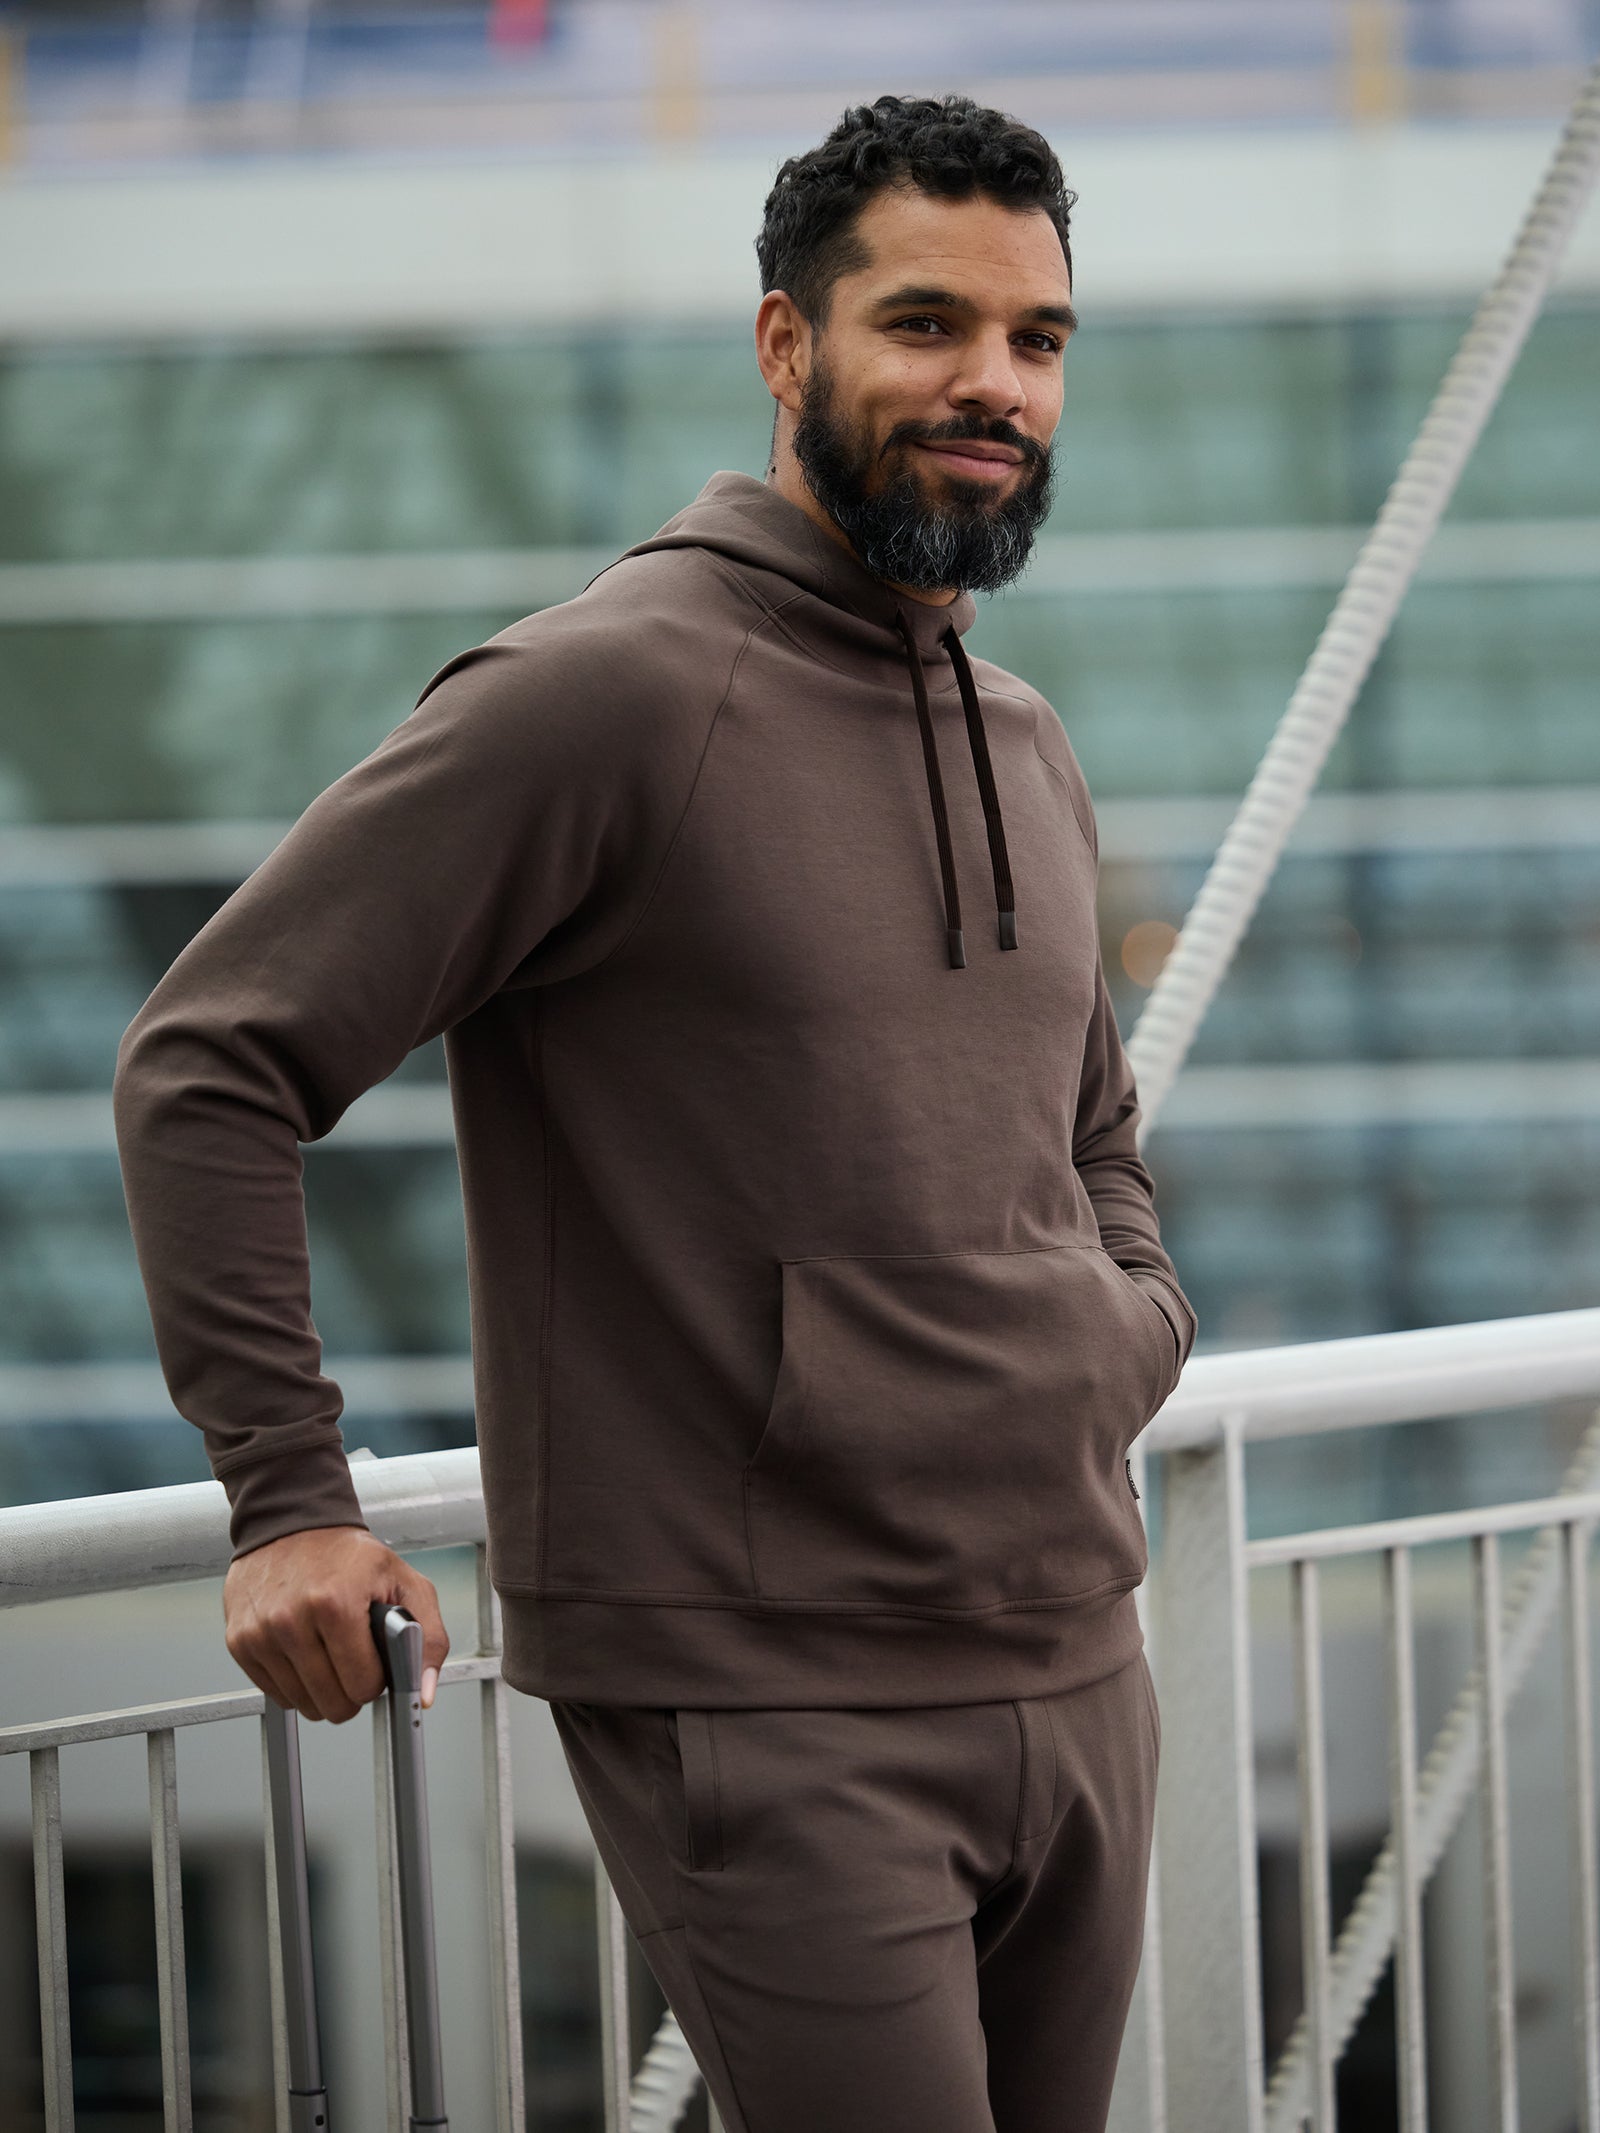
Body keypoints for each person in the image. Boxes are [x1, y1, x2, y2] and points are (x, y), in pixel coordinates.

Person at [114, 92, 1195, 2133]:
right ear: (786, 346)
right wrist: (290, 1493)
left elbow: (1090, 1134)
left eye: (1034, 340)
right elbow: (212, 1057)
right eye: (924, 323)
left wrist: (1119, 1330)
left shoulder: (1026, 738)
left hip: (1074, 1651)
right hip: (767, 1693)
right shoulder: (603, 693)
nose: (989, 383)